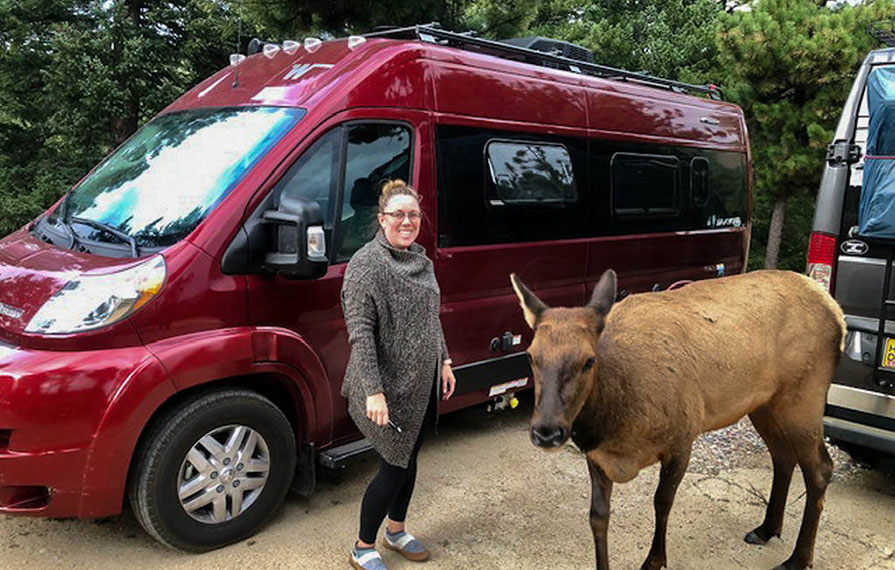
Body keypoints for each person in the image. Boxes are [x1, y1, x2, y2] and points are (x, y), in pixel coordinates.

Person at [341, 179, 456, 570]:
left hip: (420, 385)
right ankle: (362, 547)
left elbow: (430, 320)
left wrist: (444, 361)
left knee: (410, 459)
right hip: (385, 389)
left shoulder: (421, 261)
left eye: (413, 215)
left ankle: (396, 530)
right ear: (381, 219)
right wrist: (374, 391)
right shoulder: (365, 267)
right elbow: (360, 335)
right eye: (398, 215)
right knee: (393, 466)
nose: (406, 222)